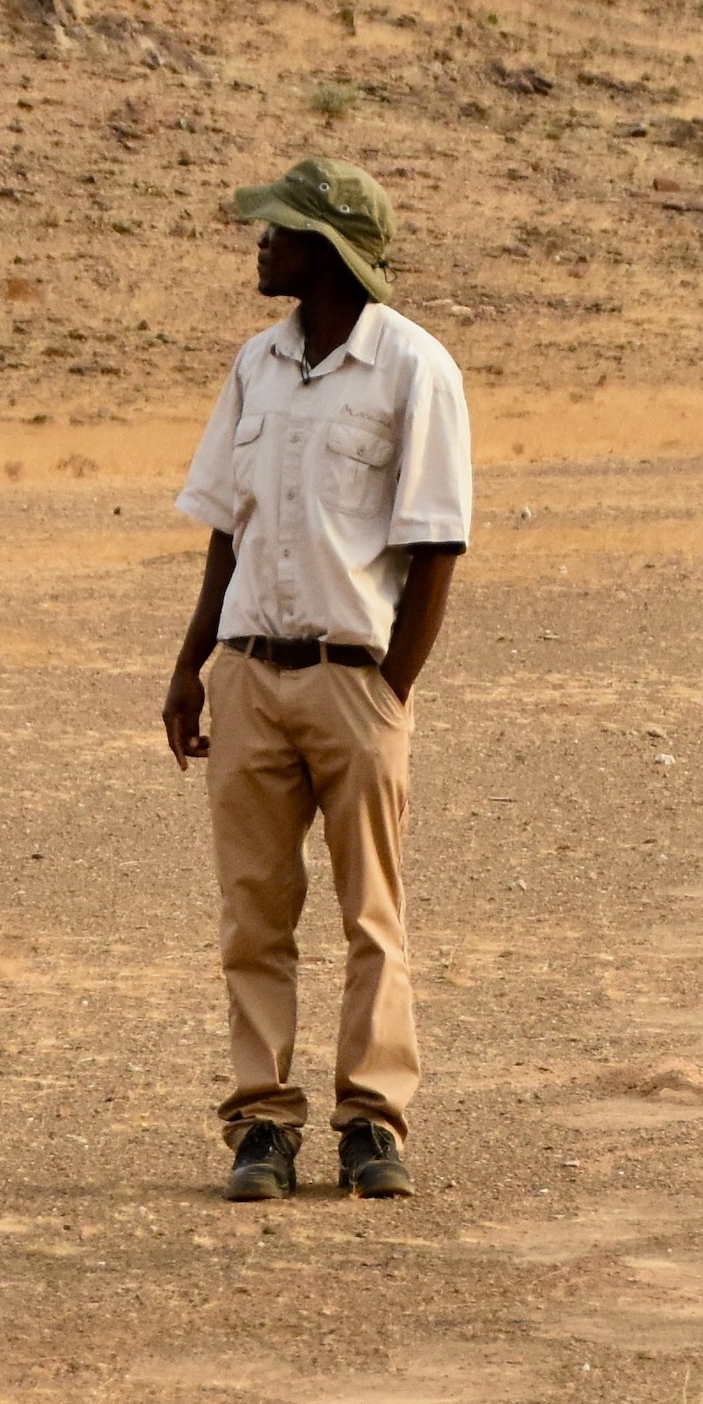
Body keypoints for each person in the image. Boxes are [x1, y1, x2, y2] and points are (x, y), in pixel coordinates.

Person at [160, 158, 472, 1202]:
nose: (258, 243)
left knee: (369, 913)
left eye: (277, 230)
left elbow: (435, 547)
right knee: (253, 913)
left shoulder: (413, 369)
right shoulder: (254, 365)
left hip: (354, 678)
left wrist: (390, 688)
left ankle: (371, 1123)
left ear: (327, 248)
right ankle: (261, 1122)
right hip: (250, 673)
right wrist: (193, 664)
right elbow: (224, 528)